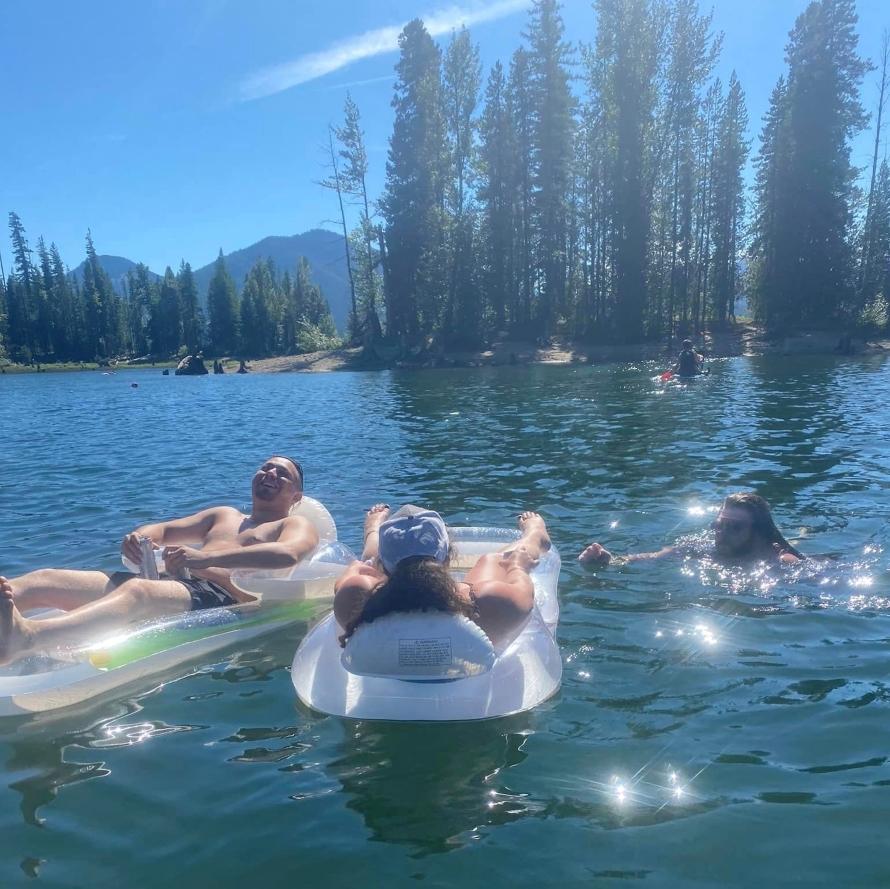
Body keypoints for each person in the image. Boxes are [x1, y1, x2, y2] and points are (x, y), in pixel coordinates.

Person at [0, 456, 319, 664]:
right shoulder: (223, 514)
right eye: (265, 467)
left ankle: (28, 638)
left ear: (296, 497)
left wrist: (205, 559)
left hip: (225, 598)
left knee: (139, 592)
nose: (270, 473)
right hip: (174, 584)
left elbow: (287, 554)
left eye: (283, 474)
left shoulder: (292, 524)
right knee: (45, 578)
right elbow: (164, 530)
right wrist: (138, 538)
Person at [334, 505, 551, 649]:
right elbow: (526, 597)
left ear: (384, 567)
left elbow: (356, 571)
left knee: (367, 562)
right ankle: (535, 535)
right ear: (448, 556)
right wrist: (517, 567)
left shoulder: (353, 598)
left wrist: (366, 566)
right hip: (467, 680)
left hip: (385, 688)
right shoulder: (489, 600)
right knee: (493, 560)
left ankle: (374, 535)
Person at [578, 492, 804, 567]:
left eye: (734, 527)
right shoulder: (703, 549)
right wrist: (611, 560)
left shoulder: (780, 561)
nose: (721, 533)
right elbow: (652, 557)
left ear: (759, 535)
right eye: (718, 525)